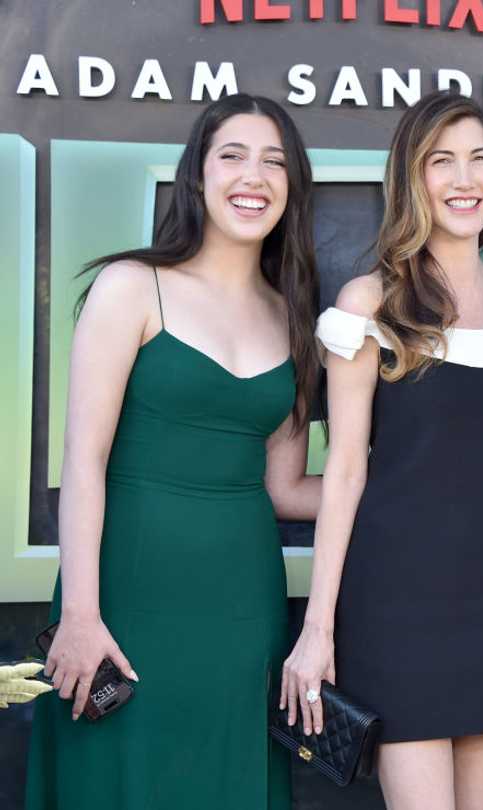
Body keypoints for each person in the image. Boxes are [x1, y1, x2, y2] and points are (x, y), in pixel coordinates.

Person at [25, 93, 322, 810]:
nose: (254, 176)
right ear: (197, 176)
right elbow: (83, 463)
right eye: (234, 156)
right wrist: (82, 616)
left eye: (275, 162)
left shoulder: (294, 315)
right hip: (123, 598)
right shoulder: (131, 285)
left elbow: (286, 490)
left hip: (242, 607)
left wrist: (410, 484)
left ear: (292, 188)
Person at [281, 91, 483, 810]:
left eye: (481, 160)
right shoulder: (368, 304)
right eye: (442, 161)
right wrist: (318, 628)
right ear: (412, 177)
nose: (465, 179)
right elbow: (344, 472)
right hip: (399, 611)